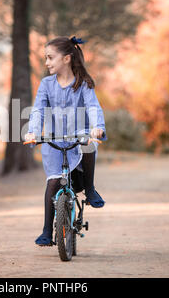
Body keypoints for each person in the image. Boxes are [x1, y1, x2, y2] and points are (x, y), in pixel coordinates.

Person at [24, 36, 107, 246]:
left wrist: (97, 128)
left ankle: (89, 188)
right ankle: (46, 231)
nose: (47, 62)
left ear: (67, 59)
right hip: (54, 141)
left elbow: (93, 107)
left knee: (88, 144)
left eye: (51, 58)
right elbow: (38, 111)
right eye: (46, 58)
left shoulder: (83, 84)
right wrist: (33, 132)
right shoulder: (46, 84)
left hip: (78, 136)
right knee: (52, 184)